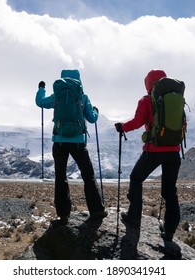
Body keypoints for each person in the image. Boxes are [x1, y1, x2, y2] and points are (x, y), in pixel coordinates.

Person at [114, 69, 181, 242]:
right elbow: (183, 124)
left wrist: (122, 127)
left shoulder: (146, 100)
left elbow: (137, 122)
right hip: (174, 152)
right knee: (169, 191)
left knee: (136, 178)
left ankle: (134, 217)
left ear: (148, 84)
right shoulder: (176, 100)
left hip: (154, 150)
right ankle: (169, 230)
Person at [36, 69, 107, 223]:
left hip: (59, 142)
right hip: (78, 143)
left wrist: (41, 89)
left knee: (60, 177)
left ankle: (63, 213)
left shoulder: (57, 96)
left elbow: (40, 102)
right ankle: (96, 210)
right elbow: (92, 118)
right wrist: (95, 110)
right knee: (88, 175)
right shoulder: (82, 96)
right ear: (79, 81)